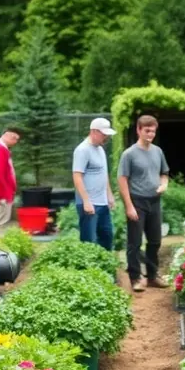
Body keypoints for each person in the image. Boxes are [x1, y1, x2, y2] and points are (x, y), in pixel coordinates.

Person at [117, 115, 169, 292]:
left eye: (153, 131)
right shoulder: (129, 154)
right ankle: (135, 278)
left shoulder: (158, 151)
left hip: (154, 201)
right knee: (135, 242)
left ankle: (153, 276)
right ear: (138, 130)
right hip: (137, 201)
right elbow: (122, 180)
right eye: (147, 130)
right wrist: (129, 206)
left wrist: (164, 184)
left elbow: (164, 173)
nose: (150, 134)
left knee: (155, 240)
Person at [73, 117, 116, 250]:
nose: (106, 137)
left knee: (107, 237)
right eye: (104, 134)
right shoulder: (82, 150)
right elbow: (77, 176)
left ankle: (105, 268)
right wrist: (86, 201)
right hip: (89, 205)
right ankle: (89, 270)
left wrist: (109, 195)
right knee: (89, 242)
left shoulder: (100, 149)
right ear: (94, 132)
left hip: (102, 203)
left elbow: (104, 173)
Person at [0, 127, 21, 235]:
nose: (15, 141)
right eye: (13, 138)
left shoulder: (2, 149)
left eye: (17, 139)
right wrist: (3, 195)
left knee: (2, 223)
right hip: (1, 194)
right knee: (0, 223)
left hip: (4, 193)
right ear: (5, 135)